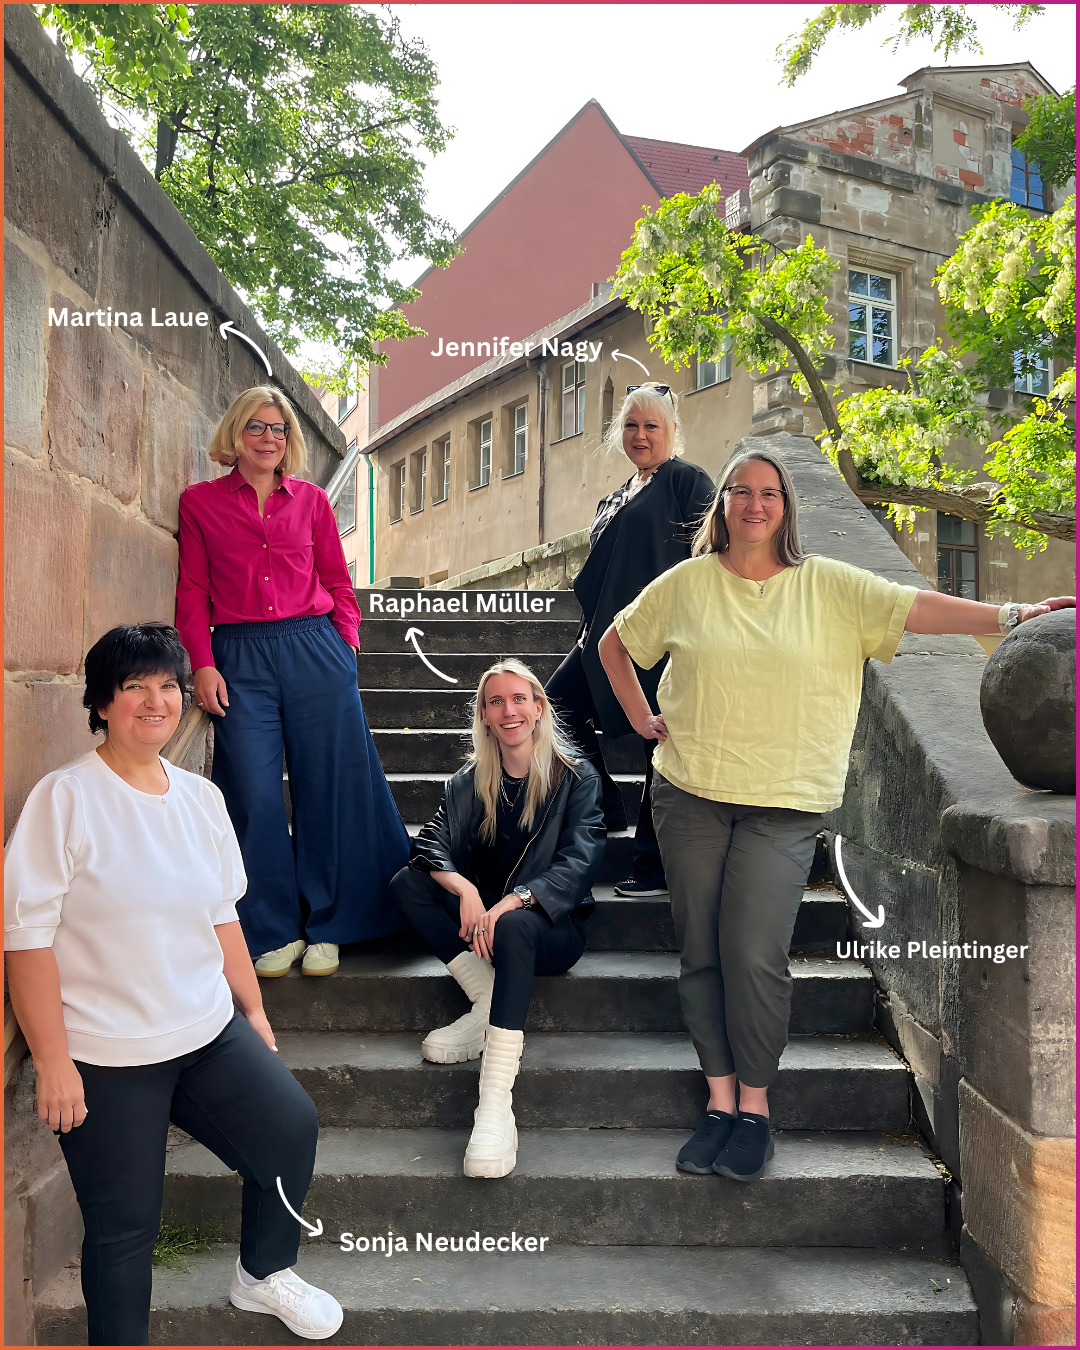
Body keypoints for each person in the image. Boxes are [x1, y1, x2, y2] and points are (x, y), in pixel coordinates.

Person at [598, 447, 1076, 1183]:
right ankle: (718, 1102)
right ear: (722, 505)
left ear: (787, 508)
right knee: (701, 953)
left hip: (785, 805)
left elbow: (914, 608)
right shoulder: (687, 583)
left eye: (770, 493)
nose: (755, 504)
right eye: (741, 491)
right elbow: (615, 644)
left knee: (754, 955)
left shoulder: (828, 585)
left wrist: (1012, 614)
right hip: (689, 793)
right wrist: (640, 718)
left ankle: (754, 1109)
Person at [4, 624, 342, 1345]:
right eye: (135, 686)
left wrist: (253, 1010)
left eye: (168, 686)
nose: (156, 701)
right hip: (107, 1055)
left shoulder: (199, 798)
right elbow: (26, 940)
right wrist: (54, 1061)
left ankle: (263, 1274)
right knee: (125, 1228)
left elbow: (221, 915)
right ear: (102, 703)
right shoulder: (64, 799)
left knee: (290, 1130)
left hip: (206, 1032)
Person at [176, 386, 408, 978]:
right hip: (239, 656)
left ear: (289, 439)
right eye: (256, 426)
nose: (268, 438)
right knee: (251, 793)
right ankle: (271, 928)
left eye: (278, 429)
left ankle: (331, 923)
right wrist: (202, 662)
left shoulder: (311, 501)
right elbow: (193, 591)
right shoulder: (199, 503)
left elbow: (337, 580)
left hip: (314, 649)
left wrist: (346, 643)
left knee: (328, 786)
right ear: (235, 433)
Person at [390, 659, 605, 1178]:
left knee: (513, 923)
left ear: (538, 708)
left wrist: (514, 901)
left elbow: (579, 863)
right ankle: (487, 998)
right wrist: (464, 889)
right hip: (486, 921)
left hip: (550, 929)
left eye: (519, 699)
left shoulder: (576, 777)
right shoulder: (468, 782)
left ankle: (494, 1105)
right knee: (407, 884)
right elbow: (429, 844)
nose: (509, 711)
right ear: (484, 716)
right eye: (495, 702)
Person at [546, 382, 715, 899]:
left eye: (651, 426)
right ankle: (604, 803)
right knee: (555, 708)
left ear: (672, 431)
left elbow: (713, 552)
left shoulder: (686, 481)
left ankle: (653, 868)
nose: (640, 435)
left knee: (655, 744)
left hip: (661, 634)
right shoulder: (616, 495)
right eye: (631, 425)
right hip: (604, 635)